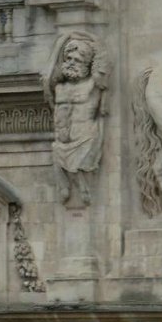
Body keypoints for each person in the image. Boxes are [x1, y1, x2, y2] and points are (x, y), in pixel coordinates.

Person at [49, 35, 108, 205]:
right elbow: (49, 74)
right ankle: (66, 186)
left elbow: (104, 63)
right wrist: (64, 40)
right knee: (56, 152)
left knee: (82, 162)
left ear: (87, 64)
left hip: (85, 137)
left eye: (77, 59)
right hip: (62, 140)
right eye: (69, 58)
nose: (72, 62)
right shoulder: (59, 87)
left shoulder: (93, 85)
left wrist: (89, 37)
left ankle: (81, 185)